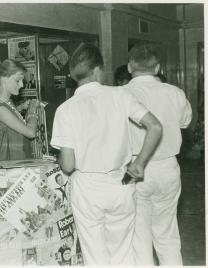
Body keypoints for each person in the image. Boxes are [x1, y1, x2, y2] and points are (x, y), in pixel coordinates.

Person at [50, 44, 163, 265]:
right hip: (120, 184)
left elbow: (68, 166)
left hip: (88, 188)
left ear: (74, 74)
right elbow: (155, 127)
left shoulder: (65, 109)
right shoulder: (121, 95)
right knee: (122, 252)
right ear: (98, 70)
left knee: (95, 254)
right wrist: (139, 164)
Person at [125, 42, 192, 265]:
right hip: (168, 168)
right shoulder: (176, 92)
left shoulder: (122, 94)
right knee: (167, 234)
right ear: (157, 68)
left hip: (136, 168)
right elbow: (184, 123)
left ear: (129, 67)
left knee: (139, 237)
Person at [0, 59, 40, 161]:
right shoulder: (1, 109)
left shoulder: (6, 103)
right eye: (18, 80)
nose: (22, 85)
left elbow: (9, 119)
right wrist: (32, 110)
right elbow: (31, 133)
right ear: (4, 79)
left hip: (18, 163)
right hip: (12, 168)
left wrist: (20, 108)